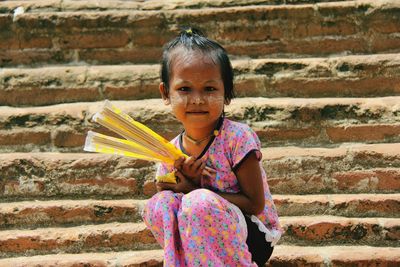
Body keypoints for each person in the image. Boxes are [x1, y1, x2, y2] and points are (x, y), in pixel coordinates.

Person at [142, 27, 282, 266]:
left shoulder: (237, 137)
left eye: (209, 89)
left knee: (198, 203)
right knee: (160, 204)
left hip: (250, 236)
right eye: (184, 89)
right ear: (166, 93)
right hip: (197, 241)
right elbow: (167, 199)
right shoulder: (171, 151)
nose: (197, 99)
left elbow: (255, 203)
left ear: (226, 94)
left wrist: (194, 191)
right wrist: (174, 186)